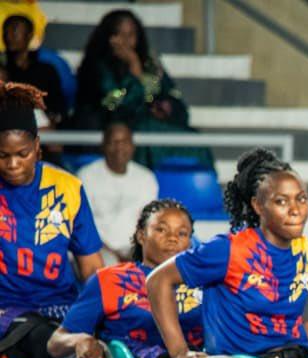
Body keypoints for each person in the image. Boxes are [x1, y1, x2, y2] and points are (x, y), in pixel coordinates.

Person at [146, 148, 308, 358]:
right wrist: (179, 352)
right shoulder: (228, 249)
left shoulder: (307, 252)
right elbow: (157, 281)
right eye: (281, 201)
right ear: (258, 206)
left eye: (302, 199)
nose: (295, 209)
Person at [0, 82, 103, 358]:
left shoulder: (67, 188)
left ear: (38, 146)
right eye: (3, 155)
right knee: (47, 341)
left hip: (62, 308)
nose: (13, 164)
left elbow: (92, 269)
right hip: (7, 311)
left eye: (22, 153)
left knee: (95, 341)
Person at [47, 199, 201, 358]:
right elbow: (55, 342)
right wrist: (80, 340)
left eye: (182, 233)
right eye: (161, 230)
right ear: (141, 236)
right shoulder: (110, 280)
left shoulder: (201, 282)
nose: (173, 238)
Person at [73, 9, 209, 167]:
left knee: (197, 141)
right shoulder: (97, 67)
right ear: (108, 37)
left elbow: (175, 100)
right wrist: (134, 70)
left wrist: (166, 107)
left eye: (131, 35)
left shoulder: (150, 64)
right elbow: (116, 107)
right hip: (118, 130)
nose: (126, 42)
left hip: (154, 126)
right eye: (119, 34)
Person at [78, 122, 158, 264]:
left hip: (135, 249)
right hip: (98, 249)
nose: (119, 147)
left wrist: (137, 250)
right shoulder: (86, 176)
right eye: (114, 142)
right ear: (103, 145)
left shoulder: (146, 178)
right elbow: (82, 224)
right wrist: (111, 253)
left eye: (125, 142)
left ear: (133, 146)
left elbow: (148, 223)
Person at [1, 13, 64, 125]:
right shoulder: (2, 67)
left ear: (29, 35)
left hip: (39, 124)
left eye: (14, 31)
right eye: (5, 32)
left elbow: (56, 105)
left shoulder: (45, 70)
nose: (8, 36)